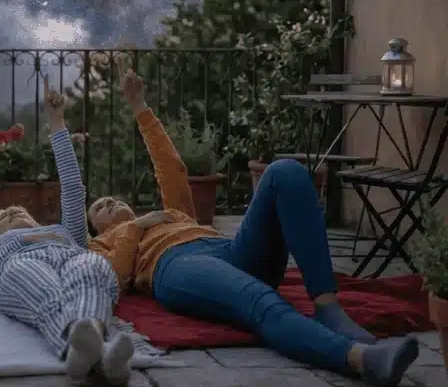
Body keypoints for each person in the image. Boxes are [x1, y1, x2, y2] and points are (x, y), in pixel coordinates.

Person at [86, 67, 420, 387]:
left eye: (110, 198)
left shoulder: (173, 212)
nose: (109, 202)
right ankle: (362, 359)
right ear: (99, 229)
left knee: (284, 171)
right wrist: (135, 227)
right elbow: (114, 277)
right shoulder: (105, 244)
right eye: (100, 207)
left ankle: (327, 307)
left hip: (227, 250)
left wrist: (138, 105)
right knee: (257, 299)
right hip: (176, 267)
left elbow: (170, 167)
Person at [0, 75, 135, 386]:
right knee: (34, 280)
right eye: (4, 215)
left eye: (18, 209)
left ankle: (89, 346)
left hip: (70, 255)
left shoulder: (64, 230)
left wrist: (57, 124)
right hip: (23, 265)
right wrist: (19, 242)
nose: (13, 209)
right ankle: (90, 350)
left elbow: (73, 189)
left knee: (92, 268)